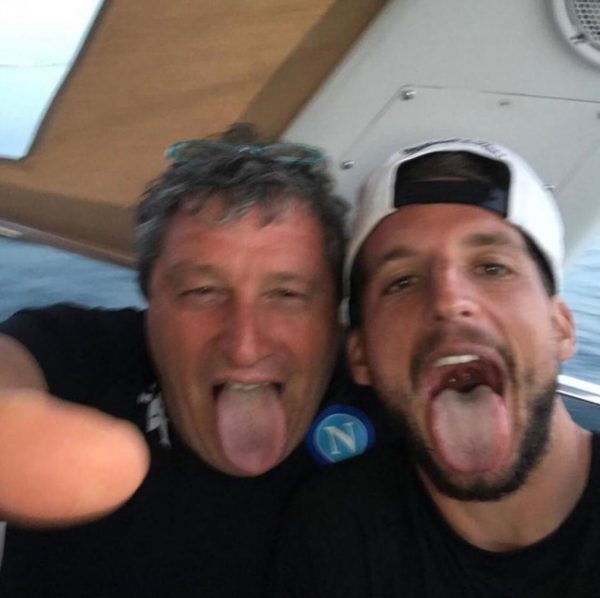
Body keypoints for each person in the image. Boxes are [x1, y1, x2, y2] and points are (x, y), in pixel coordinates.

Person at [0, 126, 390, 597]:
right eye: (203, 292)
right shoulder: (86, 356)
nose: (245, 346)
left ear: (335, 317)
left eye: (287, 294)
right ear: (151, 302)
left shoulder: (387, 404)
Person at [275, 139, 600, 597]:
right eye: (402, 281)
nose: (449, 301)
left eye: (491, 268)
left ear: (561, 327)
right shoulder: (335, 533)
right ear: (360, 355)